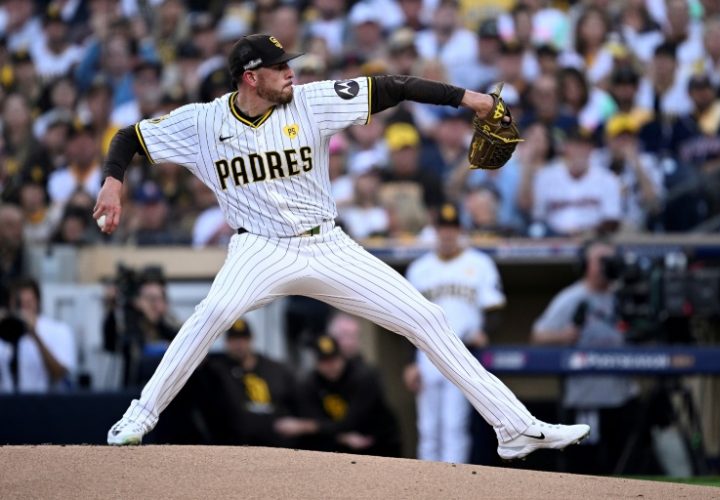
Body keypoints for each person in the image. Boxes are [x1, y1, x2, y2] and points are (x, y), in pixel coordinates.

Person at [96, 33, 589, 459]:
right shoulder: (202, 123)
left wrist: (471, 100)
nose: (291, 72)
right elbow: (128, 138)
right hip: (259, 250)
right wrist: (113, 182)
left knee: (428, 318)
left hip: (327, 244)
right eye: (279, 67)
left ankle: (514, 429)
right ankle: (138, 418)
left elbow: (395, 86)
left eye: (290, 64)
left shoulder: (311, 101)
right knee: (212, 313)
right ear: (249, 78)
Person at [403, 203, 503, 463]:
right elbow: (406, 320)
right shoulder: (418, 269)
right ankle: (425, 489)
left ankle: (453, 488)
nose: (447, 234)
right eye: (442, 228)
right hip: (427, 355)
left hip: (462, 352)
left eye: (452, 228)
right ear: (435, 231)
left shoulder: (479, 263)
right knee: (427, 430)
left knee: (453, 427)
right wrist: (409, 362)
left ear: (460, 230)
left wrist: (483, 330)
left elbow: (495, 310)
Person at [531, 240, 639, 474]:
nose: (607, 266)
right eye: (601, 260)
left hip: (621, 395)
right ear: (585, 265)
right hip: (586, 396)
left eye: (611, 260)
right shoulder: (572, 297)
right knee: (585, 466)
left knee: (623, 465)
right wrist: (564, 335)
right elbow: (538, 334)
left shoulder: (623, 296)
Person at [274, 335, 401, 457]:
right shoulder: (311, 383)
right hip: (340, 445)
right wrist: (342, 437)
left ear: (342, 357)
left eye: (333, 359)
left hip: (378, 442)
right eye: (324, 361)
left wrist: (305, 426)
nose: (330, 366)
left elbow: (350, 421)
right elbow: (314, 417)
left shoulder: (363, 377)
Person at [194, 318, 299, 446]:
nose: (239, 344)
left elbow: (295, 399)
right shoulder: (216, 369)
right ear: (226, 342)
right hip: (231, 444)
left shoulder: (275, 369)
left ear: (251, 339)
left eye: (243, 339)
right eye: (233, 340)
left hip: (275, 443)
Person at [0, 277, 76, 393]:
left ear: (38, 302)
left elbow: (59, 374)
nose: (24, 309)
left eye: (29, 303)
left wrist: (35, 336)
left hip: (42, 405)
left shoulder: (58, 330)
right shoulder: (4, 329)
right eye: (19, 304)